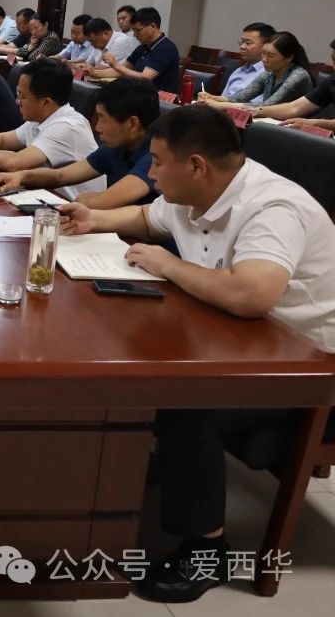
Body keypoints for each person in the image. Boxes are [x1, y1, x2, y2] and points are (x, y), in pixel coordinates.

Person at [57, 105, 335, 603]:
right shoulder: (194, 193)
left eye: (158, 162)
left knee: (186, 401)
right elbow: (146, 218)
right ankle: (151, 461)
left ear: (197, 165)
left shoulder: (273, 208)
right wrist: (94, 218)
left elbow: (251, 295)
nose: (150, 172)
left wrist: (167, 265)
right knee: (125, 345)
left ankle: (207, 546)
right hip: (240, 340)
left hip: (307, 367)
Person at [0, 59, 104, 199]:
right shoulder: (41, 116)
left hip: (70, 205)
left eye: (21, 96)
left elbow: (15, 162)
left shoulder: (67, 126)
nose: (17, 101)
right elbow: (1, 140)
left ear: (45, 102)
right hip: (43, 196)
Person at [0, 78, 161, 208]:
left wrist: (88, 200)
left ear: (132, 123)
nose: (97, 128)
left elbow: (107, 200)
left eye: (102, 118)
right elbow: (60, 176)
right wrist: (22, 176)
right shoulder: (115, 147)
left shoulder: (157, 154)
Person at [200, 31, 313, 111]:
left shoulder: (298, 76)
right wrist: (213, 98)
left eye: (270, 55)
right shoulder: (269, 73)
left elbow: (267, 106)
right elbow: (239, 98)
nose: (264, 59)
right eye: (263, 53)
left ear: (289, 58)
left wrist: (219, 105)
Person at [253, 38, 335, 131]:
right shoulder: (332, 80)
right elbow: (294, 107)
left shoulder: (298, 75)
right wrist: (258, 111)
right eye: (333, 60)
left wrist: (312, 123)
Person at [95, 7, 181, 94]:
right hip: (138, 94)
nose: (135, 35)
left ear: (152, 27)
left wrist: (115, 65)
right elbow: (122, 70)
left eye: (137, 30)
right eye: (133, 31)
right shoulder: (143, 47)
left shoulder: (166, 48)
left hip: (157, 98)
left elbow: (145, 78)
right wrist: (94, 72)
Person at [219, 22, 273, 102]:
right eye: (241, 42)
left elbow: (254, 106)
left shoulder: (271, 74)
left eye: (248, 43)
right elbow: (222, 98)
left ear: (266, 46)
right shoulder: (238, 71)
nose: (242, 47)